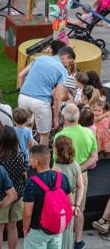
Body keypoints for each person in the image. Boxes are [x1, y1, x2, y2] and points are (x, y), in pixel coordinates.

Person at [54, 103, 98, 247]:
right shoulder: (89, 133)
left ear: (63, 117)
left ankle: (62, 241)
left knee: (61, 209)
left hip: (62, 178)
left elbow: (55, 162)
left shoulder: (60, 136)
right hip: (82, 176)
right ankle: (78, 241)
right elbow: (94, 158)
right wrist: (79, 170)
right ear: (78, 116)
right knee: (79, 209)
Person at [18, 45, 74, 146]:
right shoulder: (63, 70)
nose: (68, 64)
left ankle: (25, 157)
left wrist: (23, 92)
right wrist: (55, 119)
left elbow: (21, 75)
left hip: (23, 97)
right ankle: (41, 161)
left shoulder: (39, 58)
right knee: (44, 136)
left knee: (24, 131)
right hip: (41, 102)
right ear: (65, 57)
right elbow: (57, 98)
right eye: (69, 61)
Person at [22, 145, 74, 249]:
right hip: (56, 228)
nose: (29, 160)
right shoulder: (62, 177)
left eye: (31, 158)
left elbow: (27, 213)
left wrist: (25, 228)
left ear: (37, 161)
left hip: (37, 230)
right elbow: (70, 202)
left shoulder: (31, 183)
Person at [0, 126, 27, 249]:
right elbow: (24, 176)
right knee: (12, 226)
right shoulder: (22, 156)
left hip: (2, 197)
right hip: (18, 195)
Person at [53, 136, 85, 249]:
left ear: (56, 150)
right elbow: (81, 186)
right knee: (67, 234)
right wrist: (77, 205)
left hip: (58, 205)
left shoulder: (55, 168)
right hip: (70, 206)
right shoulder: (75, 165)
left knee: (58, 236)